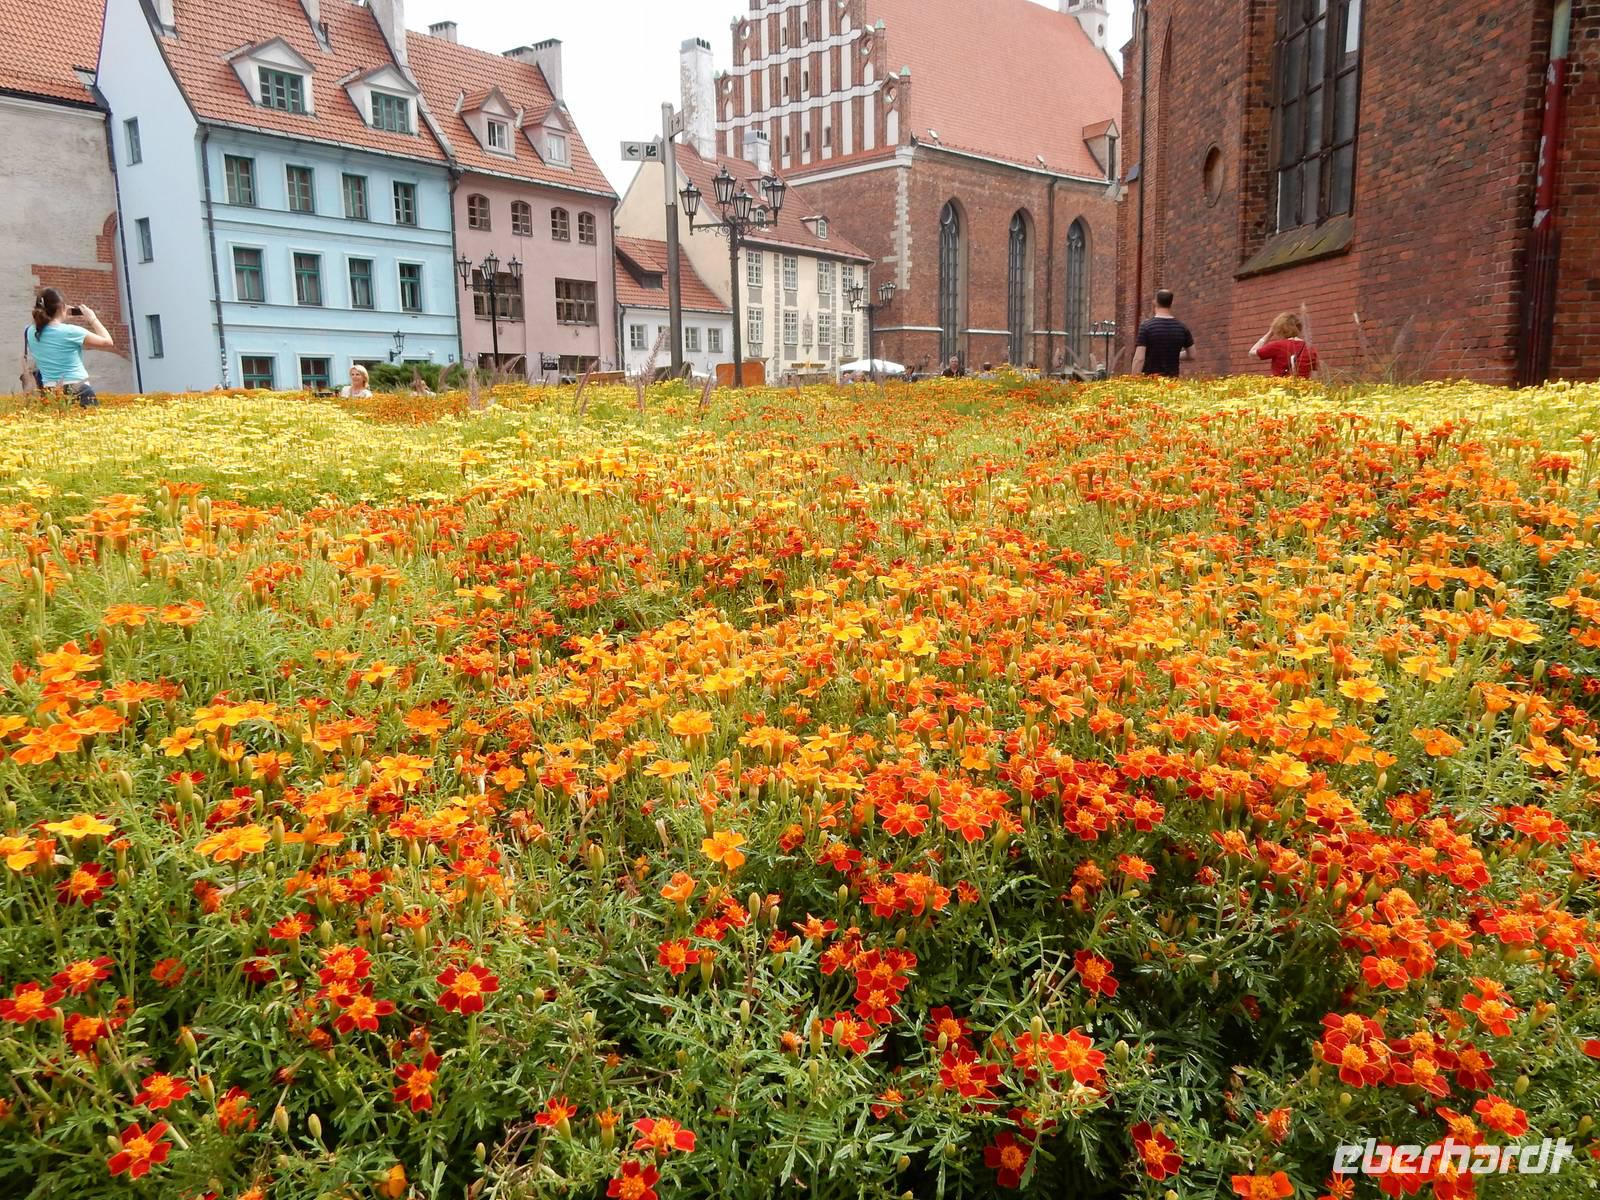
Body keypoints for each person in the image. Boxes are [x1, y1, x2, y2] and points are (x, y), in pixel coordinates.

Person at [22, 288, 113, 406]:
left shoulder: (29, 331)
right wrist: (93, 319)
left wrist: (60, 318)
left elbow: (49, 330)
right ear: (61, 307)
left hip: (50, 393)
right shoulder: (71, 331)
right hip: (78, 389)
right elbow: (108, 342)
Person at [1130, 289, 1194, 378]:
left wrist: (1133, 380)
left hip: (1150, 383)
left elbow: (1139, 359)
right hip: (1172, 384)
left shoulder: (1146, 327)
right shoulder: (1182, 328)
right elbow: (1192, 355)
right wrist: (1171, 354)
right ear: (1171, 304)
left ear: (1155, 302)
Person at [1250, 311, 1319, 378]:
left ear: (1279, 329)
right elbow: (1314, 375)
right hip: (1303, 388)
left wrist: (1269, 334)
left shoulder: (1278, 346)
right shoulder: (1310, 348)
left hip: (1281, 388)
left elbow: (1252, 354)